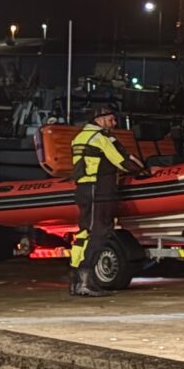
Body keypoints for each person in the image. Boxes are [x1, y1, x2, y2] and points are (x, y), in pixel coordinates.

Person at [66, 103, 133, 296]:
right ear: (100, 119)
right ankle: (85, 284)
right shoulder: (101, 138)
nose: (114, 123)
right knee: (98, 234)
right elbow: (122, 161)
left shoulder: (79, 137)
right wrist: (145, 171)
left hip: (83, 190)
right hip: (99, 191)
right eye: (111, 119)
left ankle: (76, 281)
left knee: (84, 234)